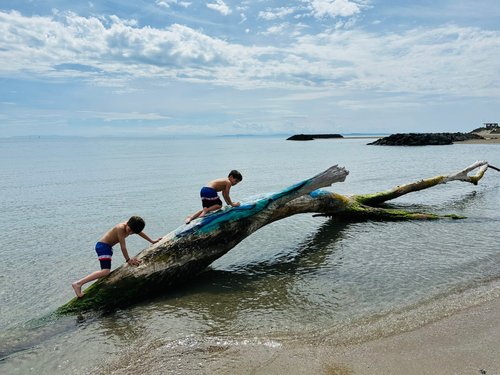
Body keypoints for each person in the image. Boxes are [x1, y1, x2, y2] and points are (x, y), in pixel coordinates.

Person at [71, 216, 162, 298]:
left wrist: (152, 241)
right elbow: (123, 246)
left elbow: (140, 233)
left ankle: (96, 284)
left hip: (107, 247)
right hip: (103, 247)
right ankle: (78, 283)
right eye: (130, 230)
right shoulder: (120, 228)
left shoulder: (131, 225)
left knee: (103, 272)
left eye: (133, 232)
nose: (130, 232)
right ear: (127, 224)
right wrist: (128, 260)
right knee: (105, 271)